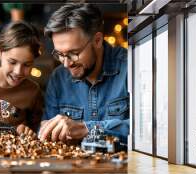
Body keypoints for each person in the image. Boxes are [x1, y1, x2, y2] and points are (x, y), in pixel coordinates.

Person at [39, 3, 129, 144]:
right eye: (60, 54)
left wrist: (87, 128)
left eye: (74, 54)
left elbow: (147, 128)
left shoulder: (130, 66)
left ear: (97, 40)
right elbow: (48, 130)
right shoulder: (58, 78)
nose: (66, 64)